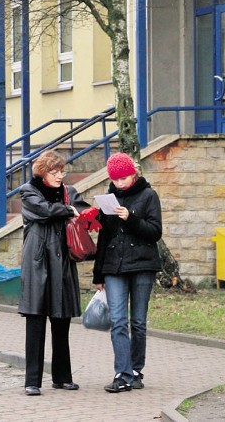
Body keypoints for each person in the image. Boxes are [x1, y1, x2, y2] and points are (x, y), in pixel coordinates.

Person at [17, 150, 91, 396]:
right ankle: (32, 381)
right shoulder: (29, 190)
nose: (60, 175)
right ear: (43, 172)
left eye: (62, 171)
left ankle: (62, 377)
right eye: (54, 171)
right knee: (35, 321)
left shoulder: (69, 192)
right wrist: (69, 210)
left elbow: (86, 213)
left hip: (62, 260)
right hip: (38, 260)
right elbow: (44, 210)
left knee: (61, 321)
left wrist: (89, 215)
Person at [92, 152, 163, 393]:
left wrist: (130, 218)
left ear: (133, 174)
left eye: (124, 178)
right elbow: (103, 237)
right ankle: (121, 374)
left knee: (138, 322)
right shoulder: (109, 198)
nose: (120, 183)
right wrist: (98, 275)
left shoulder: (148, 195)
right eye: (116, 179)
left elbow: (155, 232)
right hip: (114, 266)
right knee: (118, 321)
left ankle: (135, 370)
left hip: (142, 265)